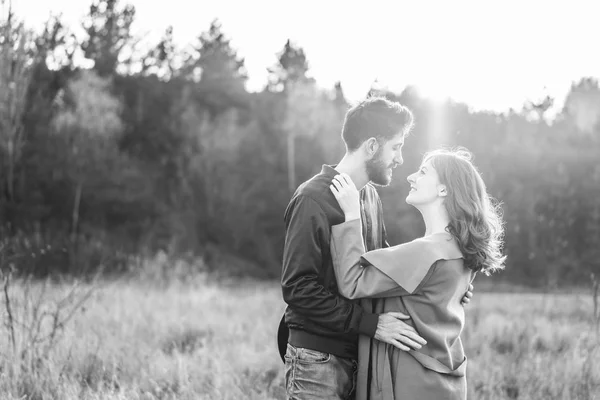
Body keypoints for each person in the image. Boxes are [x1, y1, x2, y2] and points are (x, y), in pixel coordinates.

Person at [278, 97, 474, 400]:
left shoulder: (369, 197)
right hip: (318, 358)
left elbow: (378, 268)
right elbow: (298, 288)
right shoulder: (312, 198)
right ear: (371, 146)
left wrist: (445, 283)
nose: (399, 159)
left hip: (363, 353)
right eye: (395, 147)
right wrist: (370, 324)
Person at [328, 147, 506, 400]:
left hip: (408, 384)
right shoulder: (460, 250)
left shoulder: (426, 252)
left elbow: (352, 282)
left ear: (443, 189)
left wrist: (351, 214)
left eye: (423, 172)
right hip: (443, 385)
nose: (411, 177)